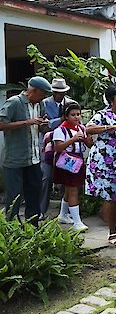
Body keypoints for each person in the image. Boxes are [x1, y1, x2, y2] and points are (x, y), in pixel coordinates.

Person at [85, 84, 116, 245]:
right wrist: (110, 127)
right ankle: (112, 232)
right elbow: (89, 129)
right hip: (104, 162)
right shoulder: (102, 115)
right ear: (111, 99)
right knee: (110, 196)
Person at [0, 77, 51, 225]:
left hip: (34, 158)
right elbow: (1, 123)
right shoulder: (15, 102)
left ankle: (32, 228)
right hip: (15, 159)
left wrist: (43, 124)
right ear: (32, 91)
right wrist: (26, 122)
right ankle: (12, 228)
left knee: (34, 195)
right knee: (14, 197)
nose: (44, 98)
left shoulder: (40, 105)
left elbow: (40, 128)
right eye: (42, 94)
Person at [53, 102, 93, 231]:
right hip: (67, 163)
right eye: (73, 115)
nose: (76, 117)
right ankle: (77, 222)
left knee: (70, 189)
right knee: (73, 190)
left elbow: (89, 145)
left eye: (78, 114)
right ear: (66, 116)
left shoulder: (81, 128)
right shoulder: (60, 130)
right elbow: (58, 147)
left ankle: (63, 215)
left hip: (78, 162)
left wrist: (87, 138)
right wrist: (73, 139)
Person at [41, 78, 76, 221]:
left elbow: (74, 122)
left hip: (67, 146)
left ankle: (65, 212)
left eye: (62, 93)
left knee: (67, 179)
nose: (59, 95)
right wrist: (61, 120)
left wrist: (54, 122)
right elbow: (44, 125)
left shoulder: (71, 103)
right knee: (46, 177)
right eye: (57, 92)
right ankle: (41, 210)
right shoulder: (44, 104)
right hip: (49, 146)